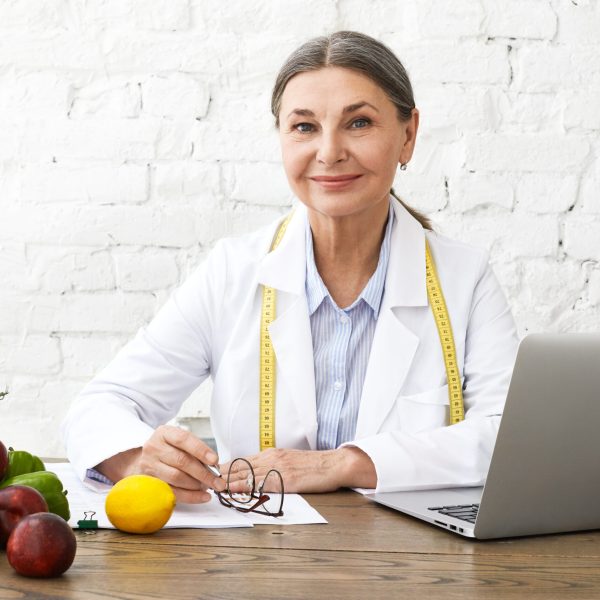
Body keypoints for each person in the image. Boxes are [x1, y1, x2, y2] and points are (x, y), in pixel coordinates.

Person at [61, 31, 519, 504]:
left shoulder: (465, 280)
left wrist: (343, 464)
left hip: (413, 568)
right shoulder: (233, 272)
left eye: (358, 123)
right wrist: (139, 461)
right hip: (261, 562)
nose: (329, 151)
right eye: (304, 127)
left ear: (408, 136)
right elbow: (98, 406)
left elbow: (510, 439)